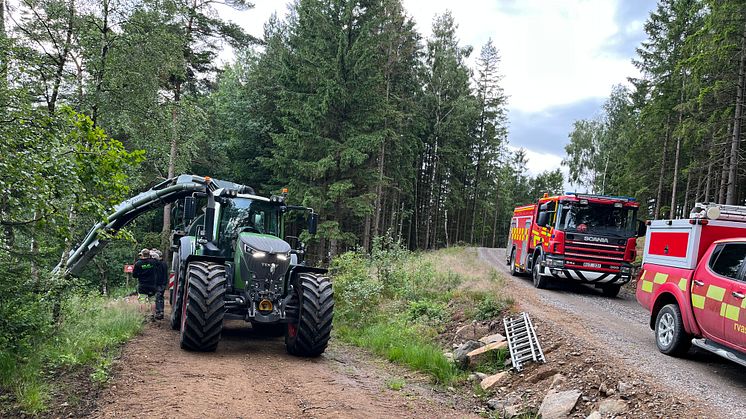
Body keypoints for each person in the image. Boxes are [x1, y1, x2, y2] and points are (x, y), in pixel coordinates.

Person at [150, 248, 169, 320]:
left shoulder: (159, 264)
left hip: (159, 283)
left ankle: (159, 312)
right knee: (160, 297)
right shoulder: (164, 263)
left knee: (158, 297)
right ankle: (160, 312)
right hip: (162, 283)